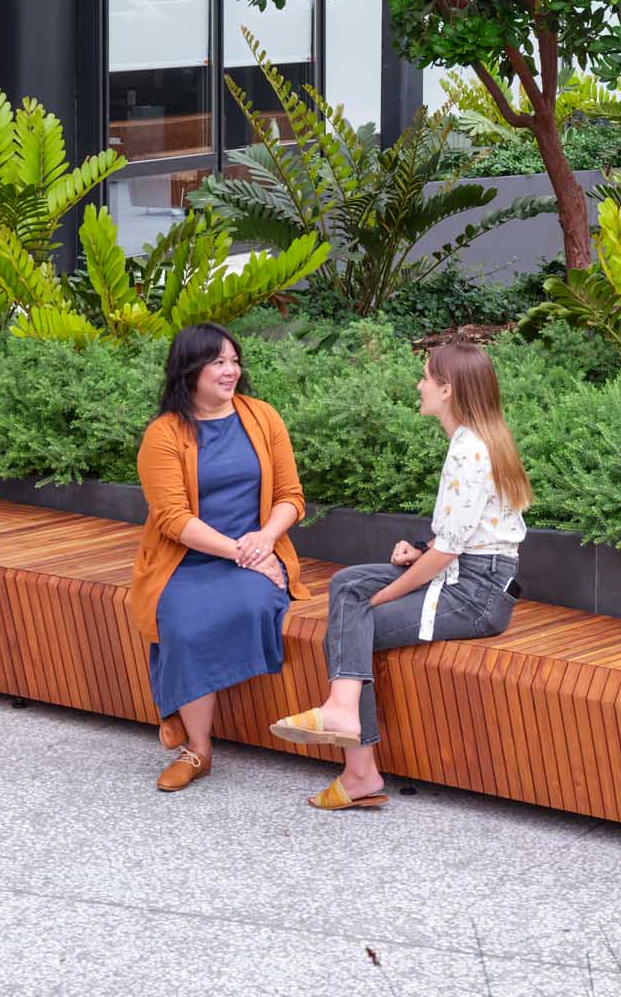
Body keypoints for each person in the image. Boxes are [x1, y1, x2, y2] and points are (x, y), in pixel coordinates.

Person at [271, 338, 531, 811]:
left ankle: (357, 763)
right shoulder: (477, 440)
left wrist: (390, 591)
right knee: (347, 584)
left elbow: (452, 554)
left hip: (475, 596)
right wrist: (419, 550)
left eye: (427, 378)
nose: (420, 384)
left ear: (447, 390)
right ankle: (347, 722)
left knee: (357, 614)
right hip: (473, 575)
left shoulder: (469, 451)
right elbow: (463, 538)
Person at [129, 323, 307, 793]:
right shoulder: (164, 435)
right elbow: (172, 519)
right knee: (183, 622)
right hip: (187, 560)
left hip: (258, 552)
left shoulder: (262, 417)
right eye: (218, 363)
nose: (231, 371)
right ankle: (199, 750)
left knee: (252, 606)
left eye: (234, 360)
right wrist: (240, 551)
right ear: (190, 370)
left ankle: (175, 710)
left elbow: (291, 496)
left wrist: (264, 540)